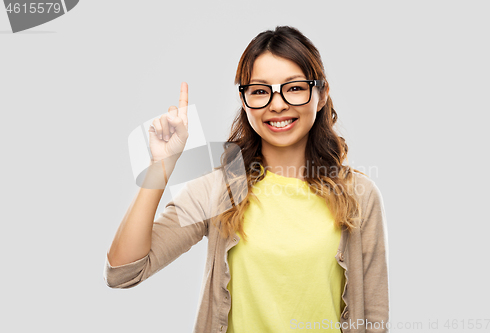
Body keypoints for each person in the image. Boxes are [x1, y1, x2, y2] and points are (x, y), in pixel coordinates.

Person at [104, 26, 390, 333]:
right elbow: (123, 272)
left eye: (294, 88)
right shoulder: (223, 186)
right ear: (244, 101)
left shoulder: (358, 194)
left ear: (321, 95)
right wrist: (160, 166)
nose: (277, 104)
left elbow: (373, 319)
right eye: (259, 91)